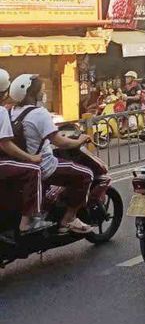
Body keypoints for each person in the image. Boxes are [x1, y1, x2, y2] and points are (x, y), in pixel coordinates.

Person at [9, 74, 95, 235]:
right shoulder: (39, 113)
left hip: (23, 165)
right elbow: (60, 142)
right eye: (40, 90)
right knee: (86, 174)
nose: (43, 93)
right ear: (32, 94)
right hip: (44, 165)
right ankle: (69, 218)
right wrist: (79, 141)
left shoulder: (11, 112)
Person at [0, 68, 48, 235]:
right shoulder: (2, 112)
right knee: (34, 170)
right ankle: (28, 221)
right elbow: (5, 144)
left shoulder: (9, 111)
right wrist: (30, 157)